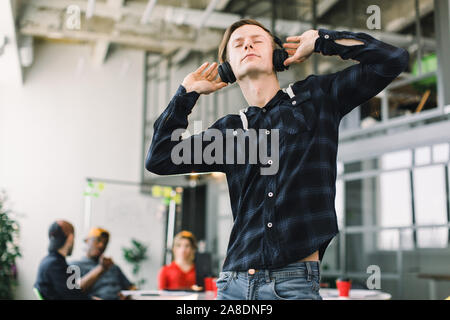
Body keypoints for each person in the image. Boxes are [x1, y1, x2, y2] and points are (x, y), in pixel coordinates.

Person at [145, 19, 409, 300]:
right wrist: (186, 95)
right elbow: (160, 157)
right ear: (228, 68)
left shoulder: (317, 99)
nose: (247, 44)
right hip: (233, 285)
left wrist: (324, 41)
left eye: (257, 40)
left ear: (278, 55)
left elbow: (392, 60)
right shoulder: (230, 132)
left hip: (293, 284)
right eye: (238, 43)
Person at [34, 221, 109, 300]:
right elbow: (73, 296)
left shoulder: (48, 262)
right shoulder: (55, 265)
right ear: (70, 238)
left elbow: (71, 292)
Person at [70, 227, 136, 300]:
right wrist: (101, 268)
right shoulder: (74, 266)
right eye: (98, 240)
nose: (101, 245)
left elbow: (131, 287)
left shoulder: (113, 267)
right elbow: (73, 292)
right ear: (87, 241)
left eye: (105, 243)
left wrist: (129, 295)